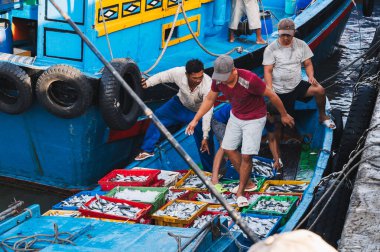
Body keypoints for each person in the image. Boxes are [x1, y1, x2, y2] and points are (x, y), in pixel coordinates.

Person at [186, 55, 294, 207]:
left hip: (255, 118)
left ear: (234, 71)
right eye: (220, 77)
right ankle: (248, 183)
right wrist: (196, 119)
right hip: (236, 116)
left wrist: (283, 114)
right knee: (229, 149)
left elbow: (271, 95)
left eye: (225, 77)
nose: (222, 80)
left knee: (246, 155)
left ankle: (240, 192)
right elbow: (210, 99)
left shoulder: (249, 80)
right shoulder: (218, 80)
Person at [135, 59, 214, 172]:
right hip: (179, 104)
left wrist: (205, 135)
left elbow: (208, 111)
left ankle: (210, 170)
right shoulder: (178, 72)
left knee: (205, 140)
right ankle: (148, 150)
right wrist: (148, 83)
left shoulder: (208, 85)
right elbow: (163, 76)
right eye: (194, 78)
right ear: (186, 74)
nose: (198, 80)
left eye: (200, 77)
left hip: (198, 113)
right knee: (157, 116)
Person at [263, 18, 336, 130]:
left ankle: (322, 116)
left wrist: (311, 76)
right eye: (283, 35)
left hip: (296, 85)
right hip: (280, 89)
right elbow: (268, 71)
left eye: (289, 35)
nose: (286, 38)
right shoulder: (271, 49)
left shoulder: (301, 45)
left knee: (320, 90)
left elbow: (308, 64)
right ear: (278, 32)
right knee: (284, 121)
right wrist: (270, 87)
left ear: (294, 33)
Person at [210, 102, 283, 189]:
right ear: (267, 114)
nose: (275, 122)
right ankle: (214, 178)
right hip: (220, 120)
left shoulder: (267, 117)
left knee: (231, 149)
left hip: (236, 120)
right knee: (225, 146)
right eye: (275, 119)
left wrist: (276, 159)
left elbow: (271, 139)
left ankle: (228, 166)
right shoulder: (252, 112)